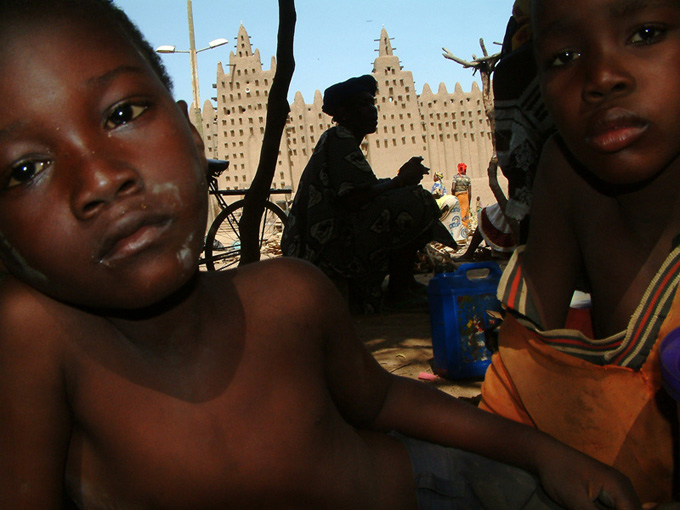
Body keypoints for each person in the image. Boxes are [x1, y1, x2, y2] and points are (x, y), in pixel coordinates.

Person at [0, 1, 643, 509]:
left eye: (123, 112)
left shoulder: (289, 298)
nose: (99, 179)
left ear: (196, 140)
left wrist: (543, 453)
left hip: (430, 489)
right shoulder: (40, 344)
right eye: (24, 168)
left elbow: (387, 403)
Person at [480, 0, 680, 505]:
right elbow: (521, 375)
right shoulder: (566, 175)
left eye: (647, 33)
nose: (602, 76)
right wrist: (549, 457)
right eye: (565, 56)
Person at [282, 75, 454, 313]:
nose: (373, 110)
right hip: (326, 247)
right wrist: (400, 181)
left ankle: (404, 284)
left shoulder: (343, 140)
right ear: (344, 112)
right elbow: (353, 199)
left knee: (410, 195)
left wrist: (399, 182)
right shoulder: (339, 138)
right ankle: (399, 290)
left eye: (372, 103)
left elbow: (362, 190)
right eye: (364, 104)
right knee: (414, 200)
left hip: (333, 237)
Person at [452, 162, 472, 233]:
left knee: (458, 212)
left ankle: (458, 230)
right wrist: (469, 202)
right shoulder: (467, 179)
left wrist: (453, 196)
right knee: (465, 213)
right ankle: (465, 230)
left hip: (458, 196)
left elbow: (453, 188)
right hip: (465, 197)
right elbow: (469, 192)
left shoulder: (455, 178)